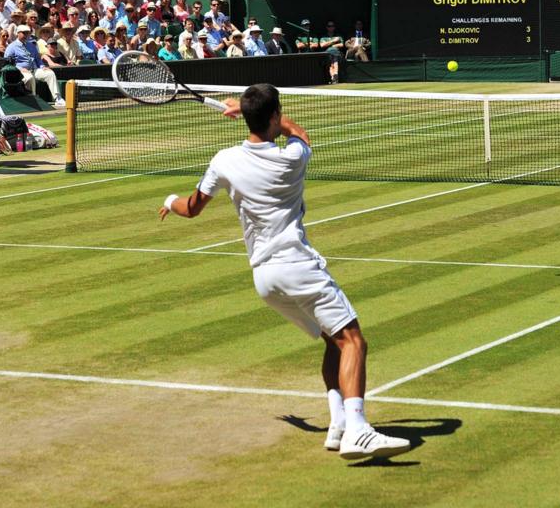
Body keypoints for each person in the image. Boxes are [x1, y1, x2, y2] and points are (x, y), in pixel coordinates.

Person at [158, 83, 412, 461]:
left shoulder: (223, 161)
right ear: (274, 116)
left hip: (265, 279)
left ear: (246, 117)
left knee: (333, 340)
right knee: (354, 341)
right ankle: (359, 430)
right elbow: (300, 134)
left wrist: (168, 200)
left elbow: (191, 207)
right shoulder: (293, 157)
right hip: (298, 267)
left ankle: (338, 423)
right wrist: (269, 118)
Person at [4, 25, 66, 107]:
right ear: (17, 33)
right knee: (29, 77)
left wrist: (42, 66)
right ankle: (33, 99)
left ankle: (58, 98)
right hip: (20, 72)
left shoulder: (31, 45)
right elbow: (7, 62)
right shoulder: (11, 47)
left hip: (35, 69)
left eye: (27, 33)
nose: (26, 35)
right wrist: (19, 69)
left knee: (50, 73)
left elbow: (38, 59)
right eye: (24, 33)